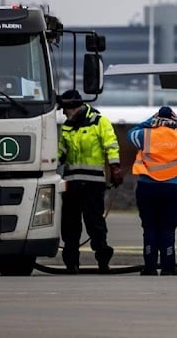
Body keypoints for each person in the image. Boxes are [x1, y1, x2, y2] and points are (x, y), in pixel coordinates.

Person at [129, 106, 177, 276]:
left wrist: (152, 119)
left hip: (148, 186)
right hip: (174, 187)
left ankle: (150, 267)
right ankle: (168, 267)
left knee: (149, 227)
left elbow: (132, 132)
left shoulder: (145, 135)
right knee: (168, 228)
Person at [57, 89, 121, 273]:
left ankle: (103, 260)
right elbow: (60, 151)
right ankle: (71, 263)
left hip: (92, 183)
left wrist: (115, 167)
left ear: (73, 107)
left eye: (65, 109)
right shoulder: (68, 126)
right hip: (71, 183)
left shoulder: (99, 122)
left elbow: (111, 145)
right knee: (70, 225)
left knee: (95, 224)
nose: (63, 112)